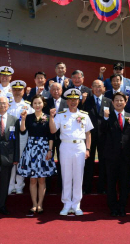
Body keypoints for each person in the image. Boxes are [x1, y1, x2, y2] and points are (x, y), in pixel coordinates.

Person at [49, 88, 93, 216]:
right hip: (66, 146)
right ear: (67, 101)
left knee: (78, 176)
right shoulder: (61, 115)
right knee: (66, 175)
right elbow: (52, 131)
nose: (73, 102)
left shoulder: (84, 115)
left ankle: (77, 204)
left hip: (80, 146)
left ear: (78, 101)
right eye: (70, 100)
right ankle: (66, 203)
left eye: (75, 100)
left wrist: (88, 149)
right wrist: (51, 117)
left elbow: (88, 134)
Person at [17, 95, 57, 215]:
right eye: (35, 103)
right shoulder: (28, 117)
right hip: (31, 149)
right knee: (33, 180)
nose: (37, 105)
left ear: (43, 104)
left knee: (42, 179)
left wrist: (50, 150)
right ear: (32, 105)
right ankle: (34, 204)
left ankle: (40, 204)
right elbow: (22, 131)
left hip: (44, 149)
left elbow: (52, 134)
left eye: (39, 103)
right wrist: (23, 119)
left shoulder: (47, 117)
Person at [100, 92, 130, 217]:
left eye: (121, 100)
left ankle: (122, 206)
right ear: (112, 102)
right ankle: (113, 207)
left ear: (125, 102)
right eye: (116, 100)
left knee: (124, 182)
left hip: (126, 155)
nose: (119, 102)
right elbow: (102, 134)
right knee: (111, 182)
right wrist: (105, 119)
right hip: (111, 155)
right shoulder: (107, 116)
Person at [82, 79, 113, 194]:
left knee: (103, 162)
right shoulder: (87, 101)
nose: (97, 88)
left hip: (104, 136)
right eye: (95, 86)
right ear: (91, 88)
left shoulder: (109, 102)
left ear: (104, 88)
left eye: (100, 86)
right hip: (89, 136)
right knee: (88, 162)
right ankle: (87, 187)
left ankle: (102, 187)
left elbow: (112, 119)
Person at [7, 80, 34, 194]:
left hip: (23, 136)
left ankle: (19, 185)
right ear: (12, 91)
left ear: (23, 91)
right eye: (15, 90)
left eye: (20, 90)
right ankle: (10, 184)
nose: (17, 92)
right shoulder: (7, 106)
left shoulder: (28, 107)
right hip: (10, 136)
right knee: (10, 160)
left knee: (21, 160)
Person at [43, 82, 67, 192]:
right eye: (53, 89)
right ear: (50, 91)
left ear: (61, 91)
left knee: (63, 162)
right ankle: (48, 187)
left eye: (58, 89)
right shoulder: (45, 103)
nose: (56, 91)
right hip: (49, 136)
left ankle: (62, 186)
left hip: (63, 137)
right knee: (48, 160)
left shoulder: (67, 103)